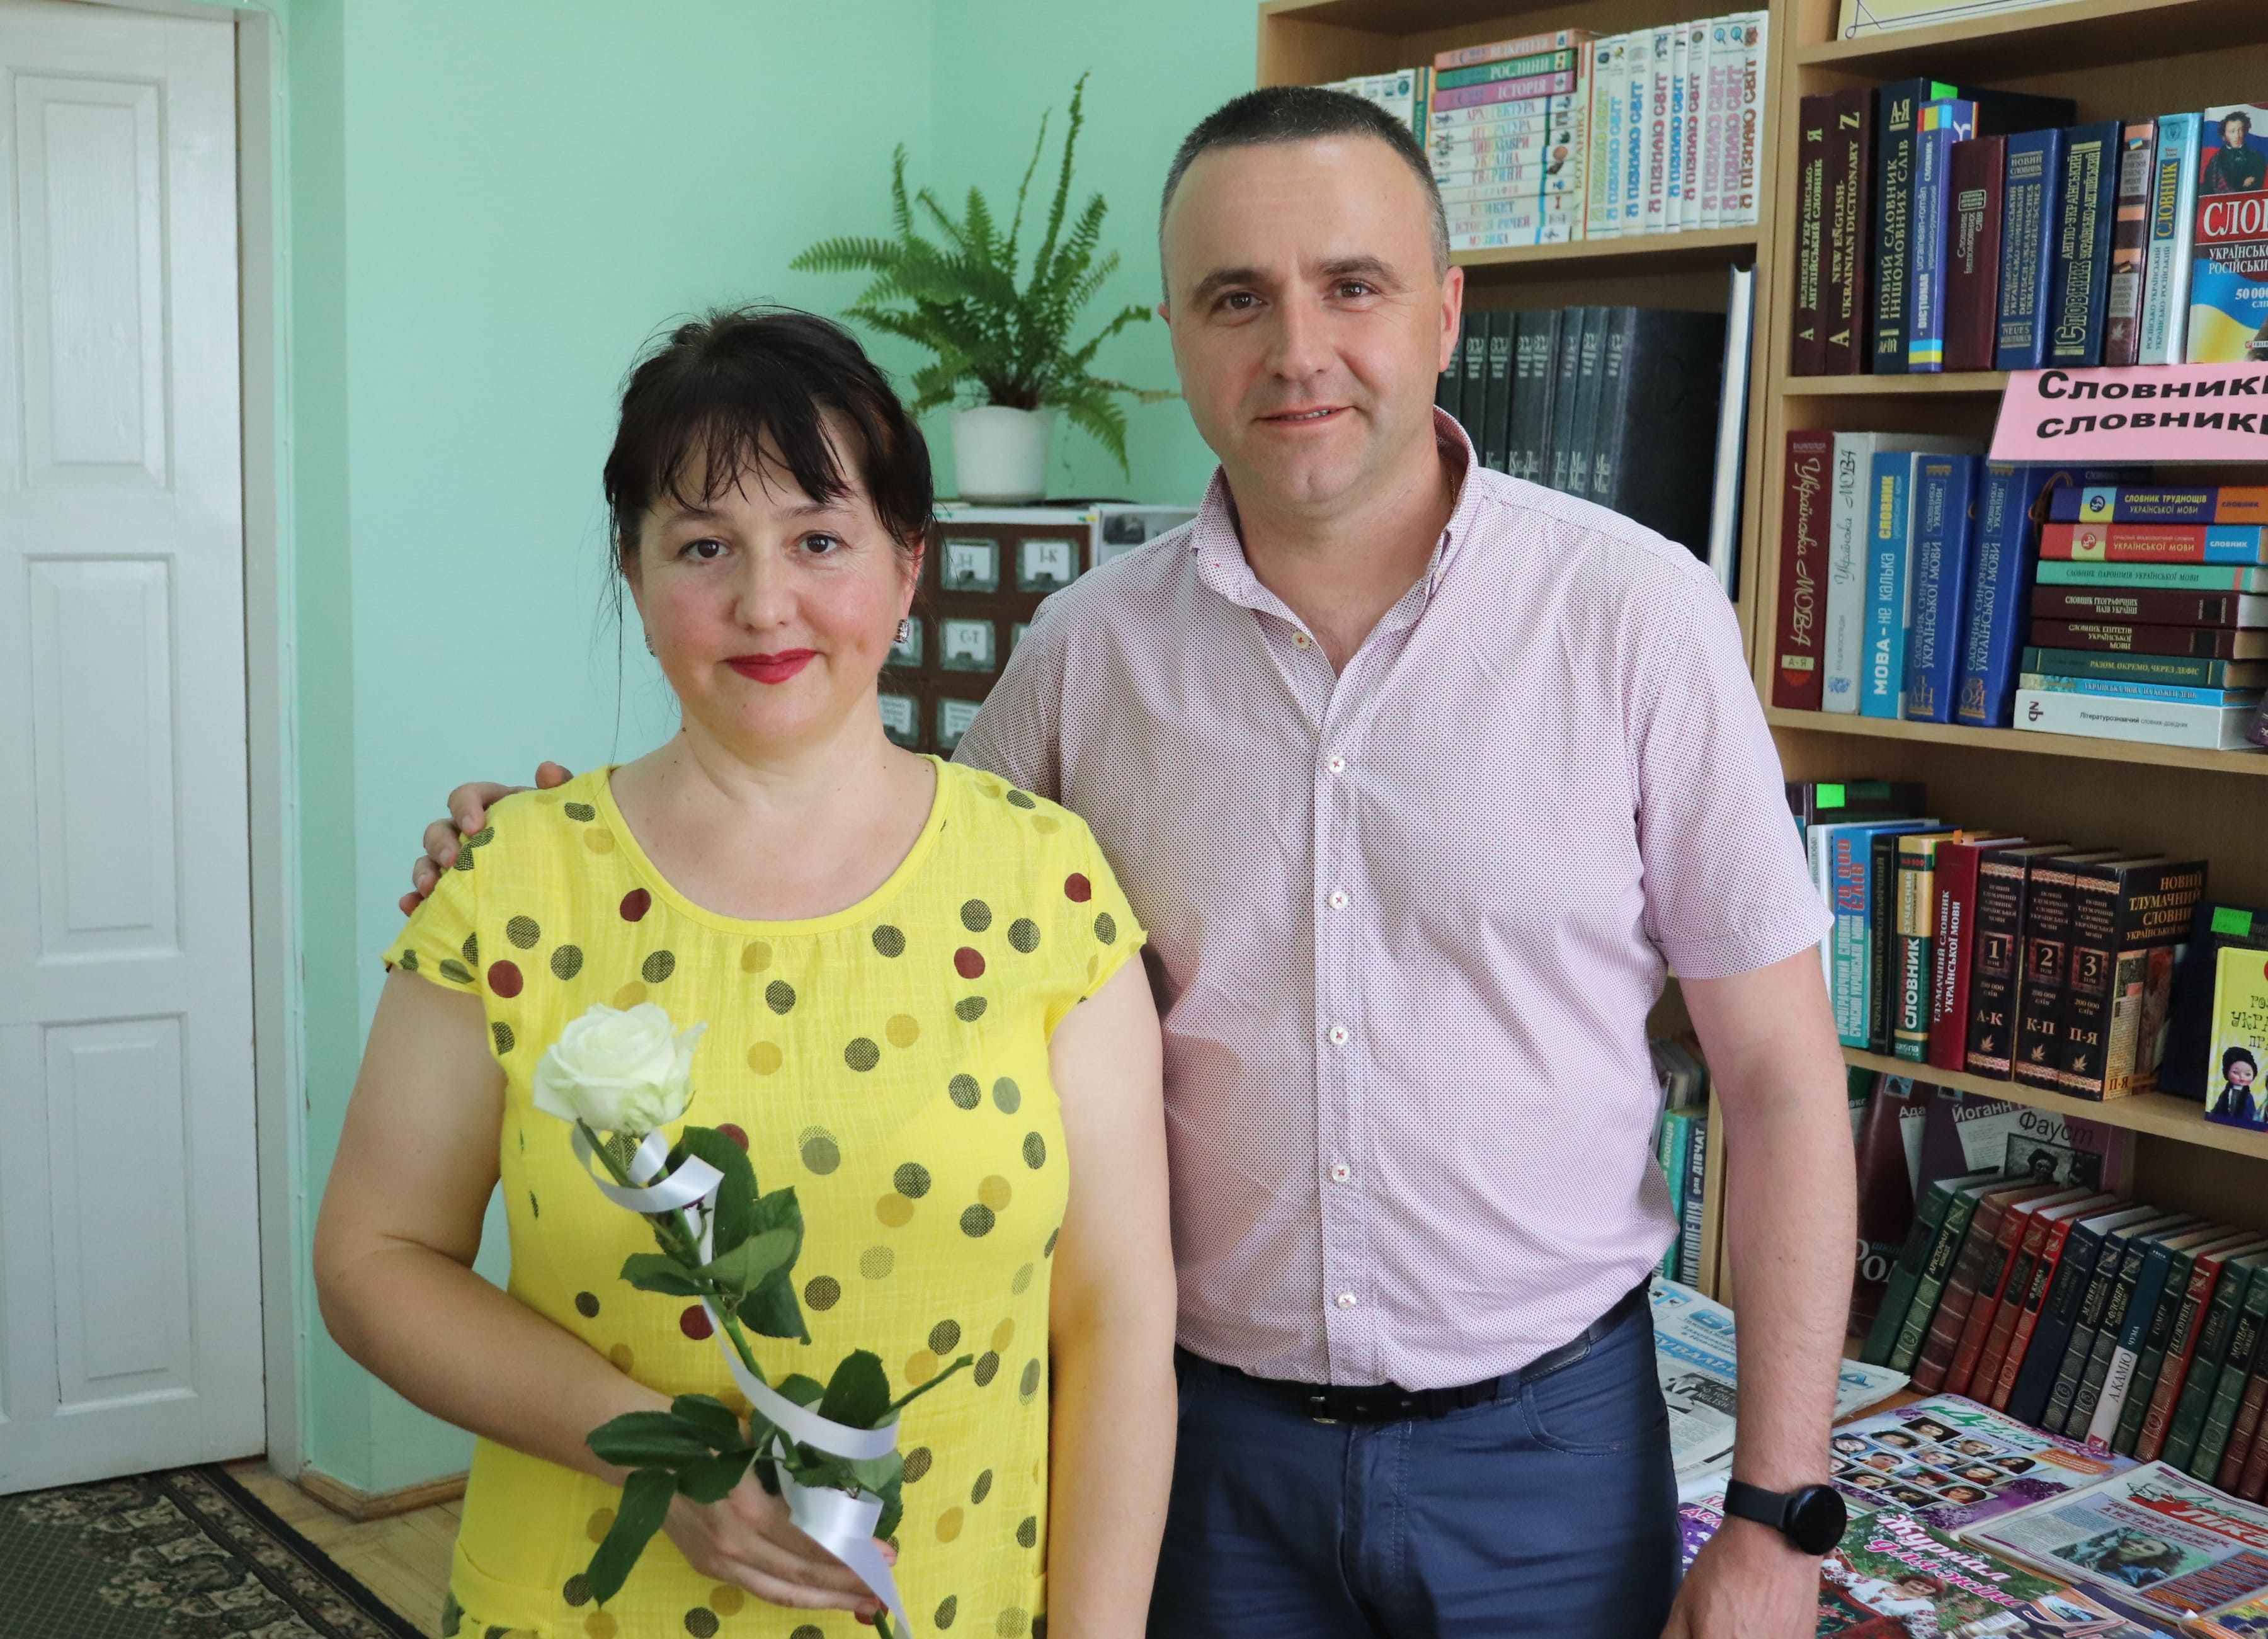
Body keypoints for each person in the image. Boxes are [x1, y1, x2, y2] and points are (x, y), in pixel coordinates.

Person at [413, 88, 1855, 1638]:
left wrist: (1782, 1510)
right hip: (1200, 1446)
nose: (1296, 348)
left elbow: (1778, 1077)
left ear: (1444, 313)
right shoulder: (1087, 651)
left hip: (1546, 1451)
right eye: (1236, 298)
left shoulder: (1637, 617)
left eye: (1350, 285)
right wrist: (571, 851)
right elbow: (875, 875)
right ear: (1175, 334)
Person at [321, 309, 1176, 1638]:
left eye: (819, 540)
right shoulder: (510, 881)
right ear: (634, 568)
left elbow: (1116, 1318)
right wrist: (657, 1451)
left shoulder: (1045, 883)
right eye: (704, 545)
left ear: (908, 564)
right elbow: (374, 1258)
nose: (765, 603)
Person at [2202, 110, 2267, 196]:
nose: (2237, 136)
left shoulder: (2258, 158)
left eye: (2240, 130)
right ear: (2224, 136)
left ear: (2245, 131)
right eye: (2232, 132)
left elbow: (2255, 188)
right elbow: (2208, 190)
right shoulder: (2215, 161)